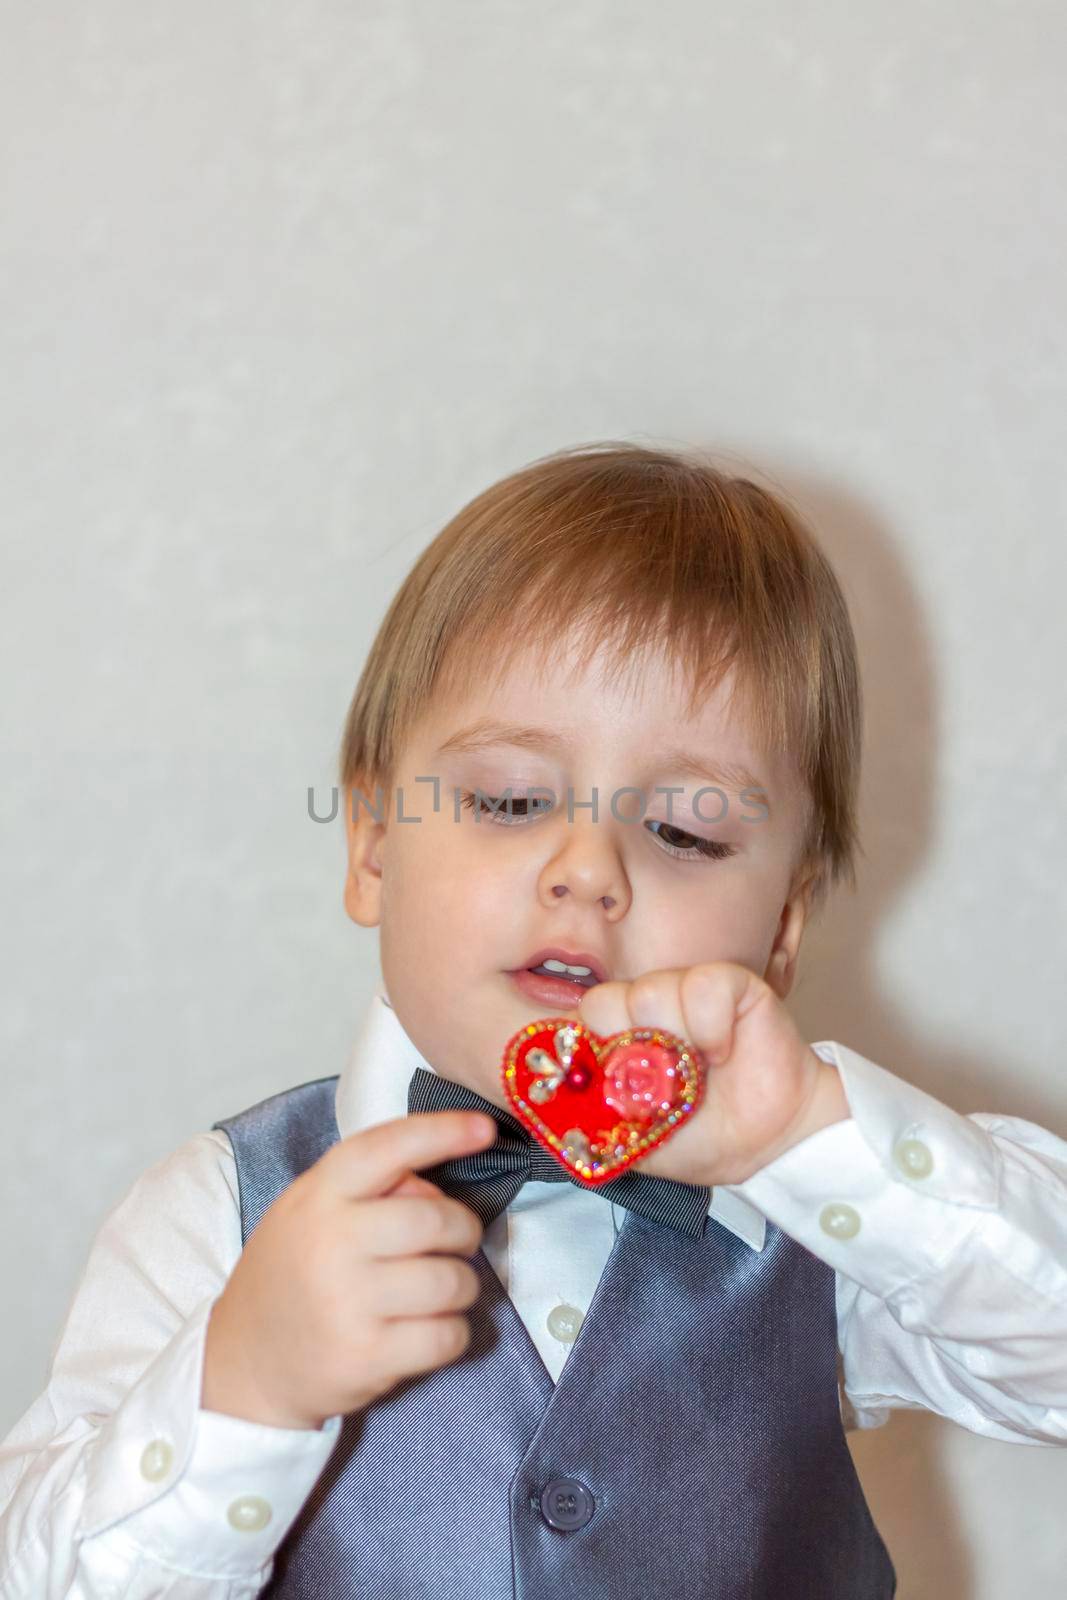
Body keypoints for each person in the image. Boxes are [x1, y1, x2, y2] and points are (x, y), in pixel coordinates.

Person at [2, 441, 1066, 1600]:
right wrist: (240, 1389)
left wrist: (812, 1136)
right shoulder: (215, 1217)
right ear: (370, 843)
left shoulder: (820, 1224)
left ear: (779, 930)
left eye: (684, 832)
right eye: (510, 799)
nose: (586, 869)